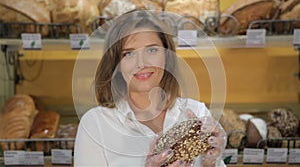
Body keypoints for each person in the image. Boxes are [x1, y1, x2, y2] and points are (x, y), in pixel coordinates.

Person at [74, 10, 227, 167]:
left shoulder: (196, 112)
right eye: (128, 54)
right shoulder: (95, 125)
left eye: (152, 50)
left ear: (167, 56)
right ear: (115, 64)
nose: (142, 63)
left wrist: (210, 162)